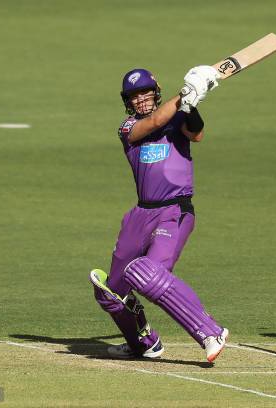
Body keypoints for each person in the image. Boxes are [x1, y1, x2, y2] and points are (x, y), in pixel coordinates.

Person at [89, 65, 228, 363]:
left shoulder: (178, 118)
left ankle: (210, 331)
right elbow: (151, 122)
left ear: (155, 91)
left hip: (173, 211)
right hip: (140, 215)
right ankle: (144, 344)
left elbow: (197, 132)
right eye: (134, 95)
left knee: (149, 274)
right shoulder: (127, 128)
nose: (140, 99)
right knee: (110, 292)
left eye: (145, 92)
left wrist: (191, 104)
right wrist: (184, 95)